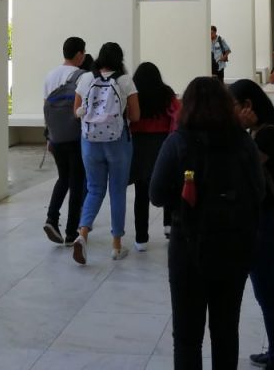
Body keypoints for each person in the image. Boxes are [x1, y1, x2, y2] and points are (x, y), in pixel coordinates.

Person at [150, 77, 263, 370]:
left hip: (188, 247)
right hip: (234, 246)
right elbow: (258, 193)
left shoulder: (177, 143)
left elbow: (156, 194)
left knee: (187, 336)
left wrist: (183, 196)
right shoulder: (243, 143)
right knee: (226, 331)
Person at [228, 79, 274, 370]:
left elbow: (243, 167)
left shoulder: (268, 134)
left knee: (268, 291)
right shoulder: (262, 130)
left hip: (269, 222)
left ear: (247, 105)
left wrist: (237, 131)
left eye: (232, 106)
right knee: (268, 289)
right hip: (265, 220)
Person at [72, 42, 140, 264]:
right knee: (117, 191)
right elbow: (136, 116)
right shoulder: (125, 81)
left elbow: (76, 111)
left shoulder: (86, 79)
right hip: (118, 142)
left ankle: (83, 234)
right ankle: (116, 246)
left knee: (94, 189)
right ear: (120, 59)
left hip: (90, 141)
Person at [130, 61, 180, 251]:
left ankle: (141, 239)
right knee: (168, 184)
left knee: (141, 192)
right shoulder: (166, 93)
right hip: (162, 143)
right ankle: (168, 225)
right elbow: (176, 115)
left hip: (138, 145)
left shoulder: (134, 94)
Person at [42, 36, 88, 246]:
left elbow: (46, 108)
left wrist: (49, 136)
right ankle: (71, 232)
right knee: (77, 182)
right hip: (76, 137)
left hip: (57, 137)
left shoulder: (50, 75)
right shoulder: (82, 76)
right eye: (83, 52)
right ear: (79, 54)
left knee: (63, 178)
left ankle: (51, 218)